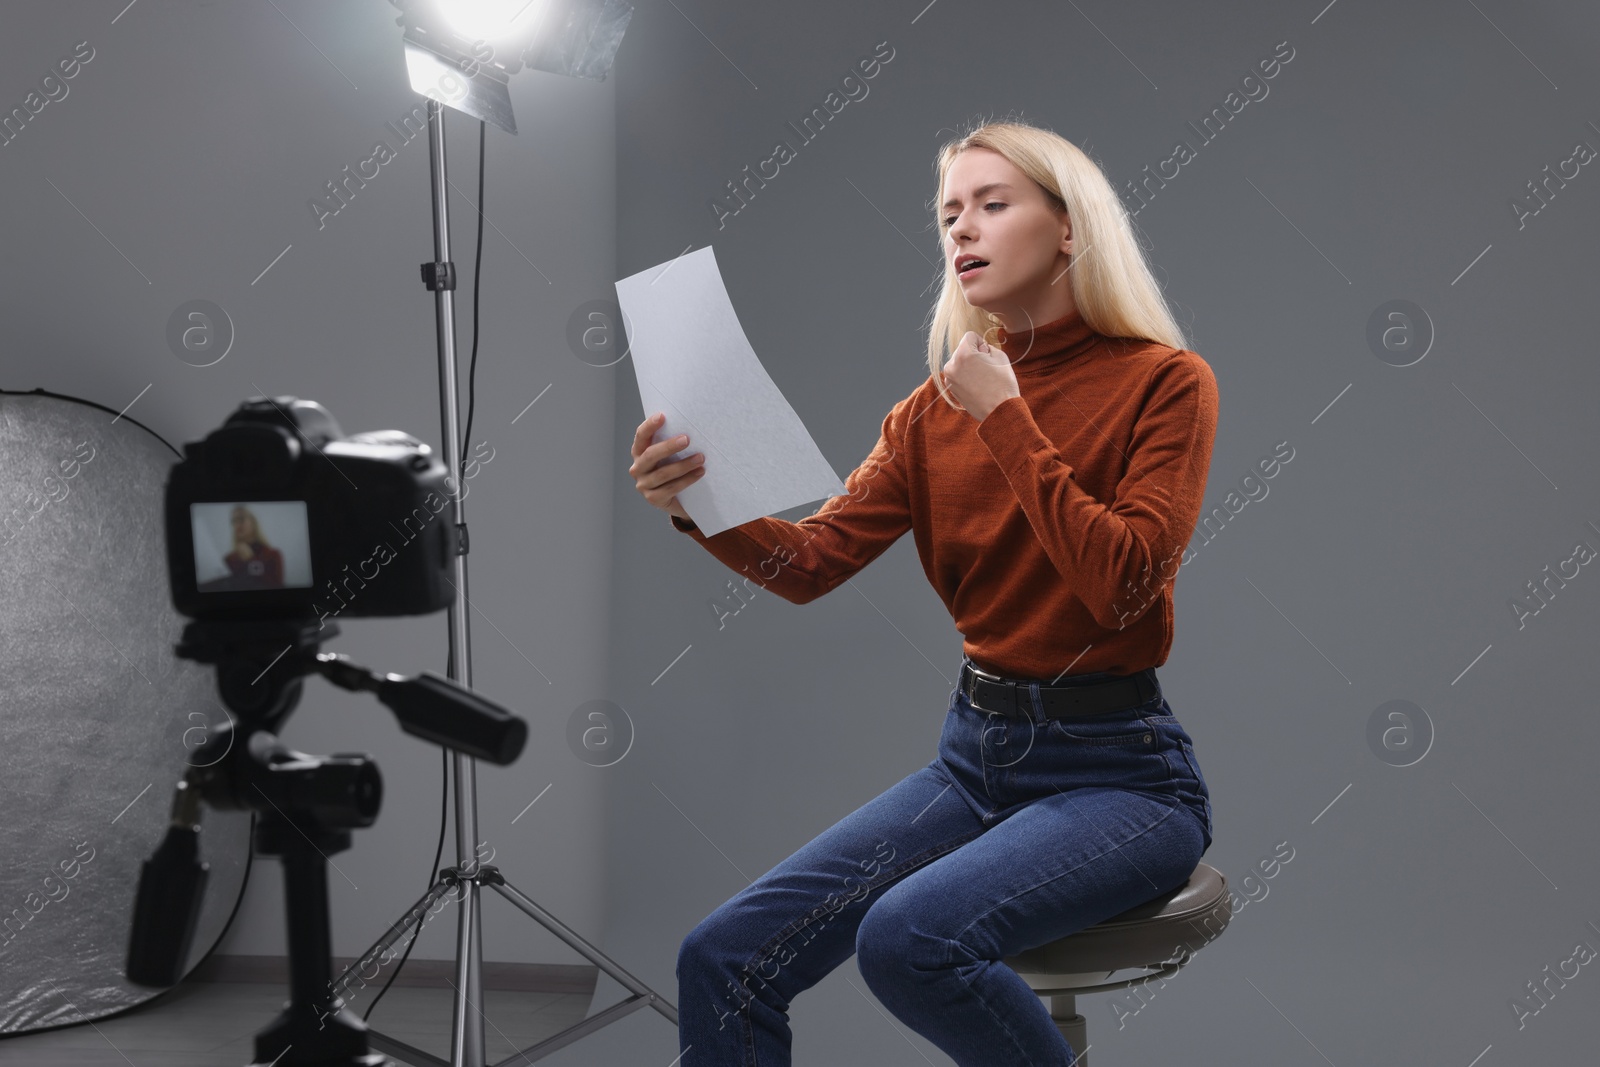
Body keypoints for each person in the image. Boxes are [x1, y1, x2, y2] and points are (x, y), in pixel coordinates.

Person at [629, 119, 1218, 1067]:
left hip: (1121, 777)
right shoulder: (928, 412)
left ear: (1069, 228)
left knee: (909, 941)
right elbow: (814, 562)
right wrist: (700, 506)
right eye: (950, 213)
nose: (963, 230)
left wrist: (1008, 418)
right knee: (723, 956)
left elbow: (1123, 585)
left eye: (993, 204)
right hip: (974, 761)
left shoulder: (1164, 384)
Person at [222, 505, 285, 589]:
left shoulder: (273, 555)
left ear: (253, 522)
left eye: (241, 519)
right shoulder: (229, 558)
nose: (237, 524)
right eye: (234, 521)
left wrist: (251, 560)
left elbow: (276, 585)